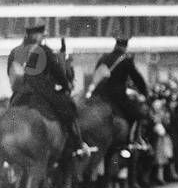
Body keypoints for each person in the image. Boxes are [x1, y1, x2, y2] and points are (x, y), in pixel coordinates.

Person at [6, 24, 87, 158]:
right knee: (69, 109)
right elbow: (57, 72)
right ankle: (77, 146)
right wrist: (65, 86)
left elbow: (10, 72)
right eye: (41, 34)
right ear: (36, 35)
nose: (43, 37)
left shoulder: (15, 51)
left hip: (19, 94)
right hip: (42, 92)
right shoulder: (44, 50)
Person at [89, 37, 149, 126]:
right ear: (125, 46)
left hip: (100, 96)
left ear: (116, 45)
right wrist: (144, 92)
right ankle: (131, 134)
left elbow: (96, 75)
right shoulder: (125, 59)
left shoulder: (103, 58)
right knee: (137, 115)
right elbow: (137, 78)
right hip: (117, 97)